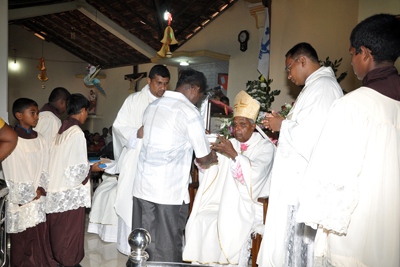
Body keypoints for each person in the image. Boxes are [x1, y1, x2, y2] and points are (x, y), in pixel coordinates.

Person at [295, 14, 400, 267]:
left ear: (364, 53)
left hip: (356, 238)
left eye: (352, 53)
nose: (352, 61)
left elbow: (332, 178)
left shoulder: (351, 105)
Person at [257, 43, 343, 267]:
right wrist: (284, 124)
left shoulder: (323, 88)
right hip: (295, 186)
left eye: (288, 67)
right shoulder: (315, 87)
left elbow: (314, 138)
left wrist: (282, 125)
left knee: (299, 253)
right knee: (291, 251)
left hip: (303, 189)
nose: (288, 74)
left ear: (302, 61)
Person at [130, 68, 218, 263]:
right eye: (200, 95)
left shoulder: (152, 106)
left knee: (143, 243)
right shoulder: (189, 112)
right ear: (195, 88)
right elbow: (203, 157)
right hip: (168, 193)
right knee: (167, 247)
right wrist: (213, 156)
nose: (198, 99)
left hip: (142, 188)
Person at [183, 90, 275, 266]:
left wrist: (234, 155)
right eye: (235, 124)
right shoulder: (230, 143)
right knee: (201, 216)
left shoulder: (265, 147)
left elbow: (255, 175)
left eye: (242, 124)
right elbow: (212, 172)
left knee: (227, 222)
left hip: (251, 203)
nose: (237, 129)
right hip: (223, 199)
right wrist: (208, 159)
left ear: (253, 125)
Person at [112, 64, 171, 255]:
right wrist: (136, 133)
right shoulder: (134, 100)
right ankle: (130, 246)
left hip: (161, 163)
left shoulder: (170, 102)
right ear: (149, 81)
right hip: (137, 159)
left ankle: (155, 247)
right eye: (159, 83)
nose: (163, 88)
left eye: (166, 84)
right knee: (131, 202)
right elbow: (118, 126)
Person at [46, 93, 104, 267]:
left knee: (58, 232)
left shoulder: (62, 130)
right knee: (69, 232)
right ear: (83, 110)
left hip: (56, 189)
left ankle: (61, 261)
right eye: (87, 111)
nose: (87, 115)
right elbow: (76, 171)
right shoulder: (77, 132)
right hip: (69, 193)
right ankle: (69, 262)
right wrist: (91, 168)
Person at [2, 98, 57, 267]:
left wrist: (40, 187)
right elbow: (14, 168)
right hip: (23, 199)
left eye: (37, 113)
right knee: (23, 240)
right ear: (19, 115)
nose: (36, 117)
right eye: (32, 113)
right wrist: (29, 193)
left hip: (38, 195)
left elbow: (45, 164)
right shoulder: (11, 140)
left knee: (39, 236)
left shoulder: (40, 138)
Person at [88, 173, 119, 242]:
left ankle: (112, 233)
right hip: (114, 177)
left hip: (128, 179)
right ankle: (101, 229)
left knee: (112, 194)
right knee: (100, 191)